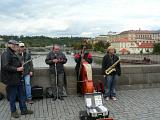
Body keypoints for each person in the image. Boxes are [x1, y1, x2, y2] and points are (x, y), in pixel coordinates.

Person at [1, 40, 33, 118]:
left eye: (17, 45)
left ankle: (23, 110)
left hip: (18, 78)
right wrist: (17, 69)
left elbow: (14, 63)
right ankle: (13, 111)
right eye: (15, 45)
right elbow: (5, 66)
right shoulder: (6, 53)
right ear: (10, 45)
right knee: (12, 96)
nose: (17, 46)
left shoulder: (12, 53)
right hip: (11, 80)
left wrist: (20, 65)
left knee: (22, 95)